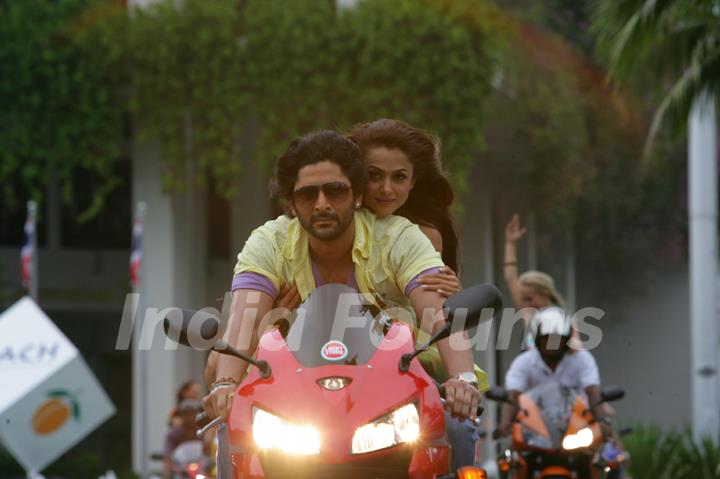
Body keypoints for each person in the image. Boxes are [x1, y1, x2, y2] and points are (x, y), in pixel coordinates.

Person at [204, 129, 481, 469]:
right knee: (233, 428)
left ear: (357, 196)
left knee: (457, 424)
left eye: (334, 191)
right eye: (308, 194)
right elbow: (242, 323)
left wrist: (462, 380)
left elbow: (439, 315)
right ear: (292, 203)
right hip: (294, 400)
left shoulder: (399, 236)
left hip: (392, 390)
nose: (321, 203)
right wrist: (226, 384)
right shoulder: (268, 242)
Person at [494, 307, 609, 439]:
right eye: (546, 338)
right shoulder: (524, 362)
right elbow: (512, 396)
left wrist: (602, 421)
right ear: (537, 338)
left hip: (577, 430)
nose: (552, 342)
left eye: (557, 338)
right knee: (510, 457)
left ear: (566, 339)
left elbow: (592, 391)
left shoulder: (582, 359)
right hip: (533, 432)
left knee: (603, 456)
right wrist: (504, 423)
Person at [504, 213, 569, 347]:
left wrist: (530, 325)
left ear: (545, 293)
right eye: (523, 299)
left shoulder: (557, 317)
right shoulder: (529, 310)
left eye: (529, 299)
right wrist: (510, 242)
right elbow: (510, 277)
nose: (525, 303)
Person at [163, 399, 203, 478]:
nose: (189, 417)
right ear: (181, 415)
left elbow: (209, 447)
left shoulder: (202, 430)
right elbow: (168, 455)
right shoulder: (173, 434)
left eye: (192, 413)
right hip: (181, 470)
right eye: (186, 413)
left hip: (201, 468)